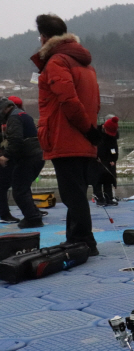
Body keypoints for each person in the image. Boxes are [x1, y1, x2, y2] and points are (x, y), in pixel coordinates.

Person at [31, 14, 101, 255]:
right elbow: (93, 102)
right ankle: (78, 238)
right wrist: (90, 130)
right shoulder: (84, 63)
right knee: (77, 192)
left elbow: (69, 101)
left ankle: (83, 240)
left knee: (73, 195)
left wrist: (85, 128)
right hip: (82, 136)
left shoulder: (57, 62)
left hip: (66, 135)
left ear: (44, 37)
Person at [0, 98, 45, 228]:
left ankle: (32, 218)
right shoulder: (23, 114)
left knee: (19, 189)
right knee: (24, 187)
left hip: (28, 157)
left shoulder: (14, 118)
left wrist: (6, 156)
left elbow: (16, 140)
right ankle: (34, 213)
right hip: (37, 155)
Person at [93, 116, 119, 207]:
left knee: (108, 178)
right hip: (97, 160)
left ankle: (109, 197)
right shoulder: (96, 132)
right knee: (97, 180)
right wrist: (95, 156)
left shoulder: (113, 137)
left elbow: (114, 148)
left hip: (108, 160)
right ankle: (99, 198)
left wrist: (113, 159)